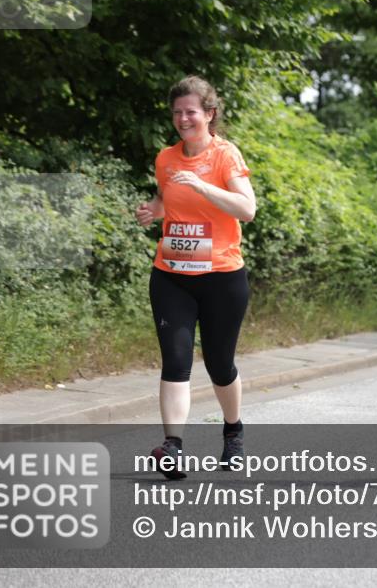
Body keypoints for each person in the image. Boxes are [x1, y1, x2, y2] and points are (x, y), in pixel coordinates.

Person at [135, 75, 256, 480]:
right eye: (177, 112)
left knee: (220, 364)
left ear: (209, 114)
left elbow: (246, 208)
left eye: (191, 111)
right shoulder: (166, 158)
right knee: (176, 358)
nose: (183, 119)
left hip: (222, 275)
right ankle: (172, 446)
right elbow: (168, 197)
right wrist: (155, 211)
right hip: (172, 274)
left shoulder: (225, 156)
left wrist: (204, 186)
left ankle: (233, 432)